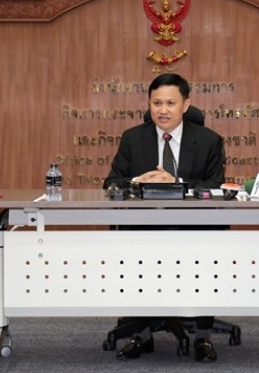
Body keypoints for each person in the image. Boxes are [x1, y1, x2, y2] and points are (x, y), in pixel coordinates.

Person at [103, 72, 225, 362]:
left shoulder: (209, 141)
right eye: (157, 103)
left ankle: (202, 336)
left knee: (206, 256)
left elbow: (215, 187)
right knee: (136, 256)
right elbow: (111, 183)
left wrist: (177, 183)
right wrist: (137, 180)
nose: (163, 110)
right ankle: (142, 335)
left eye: (171, 103)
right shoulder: (133, 138)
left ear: (186, 105)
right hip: (145, 226)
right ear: (149, 104)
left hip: (194, 226)